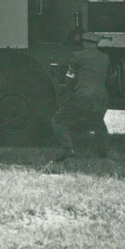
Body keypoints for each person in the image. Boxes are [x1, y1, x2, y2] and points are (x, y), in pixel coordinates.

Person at [51, 32, 109, 160]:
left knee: (58, 120)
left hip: (82, 97)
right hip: (101, 97)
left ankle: (68, 149)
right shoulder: (105, 58)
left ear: (84, 43)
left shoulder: (77, 56)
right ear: (96, 44)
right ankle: (103, 154)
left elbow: (69, 80)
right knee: (99, 124)